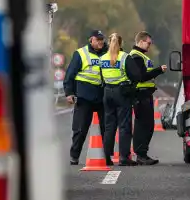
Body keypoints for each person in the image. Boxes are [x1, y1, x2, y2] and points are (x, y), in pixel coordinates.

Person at [63, 29, 107, 165]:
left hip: (103, 96)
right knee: (80, 129)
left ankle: (107, 157)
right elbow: (70, 74)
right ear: (91, 40)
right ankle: (74, 156)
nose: (100, 42)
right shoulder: (81, 54)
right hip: (84, 97)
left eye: (102, 39)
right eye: (97, 39)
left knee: (107, 129)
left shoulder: (109, 53)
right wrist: (69, 93)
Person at [126, 31, 167, 165]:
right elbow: (142, 76)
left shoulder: (141, 56)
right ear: (141, 41)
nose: (150, 46)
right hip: (141, 94)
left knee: (147, 125)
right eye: (148, 43)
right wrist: (159, 70)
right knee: (143, 125)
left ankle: (142, 153)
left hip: (145, 94)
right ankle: (140, 154)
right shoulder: (136, 57)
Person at [100, 33, 135, 166]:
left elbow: (101, 77)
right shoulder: (125, 57)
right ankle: (124, 157)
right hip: (122, 93)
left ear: (109, 43)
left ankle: (106, 157)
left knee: (109, 127)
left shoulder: (103, 58)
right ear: (121, 43)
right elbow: (135, 75)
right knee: (124, 126)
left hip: (107, 92)